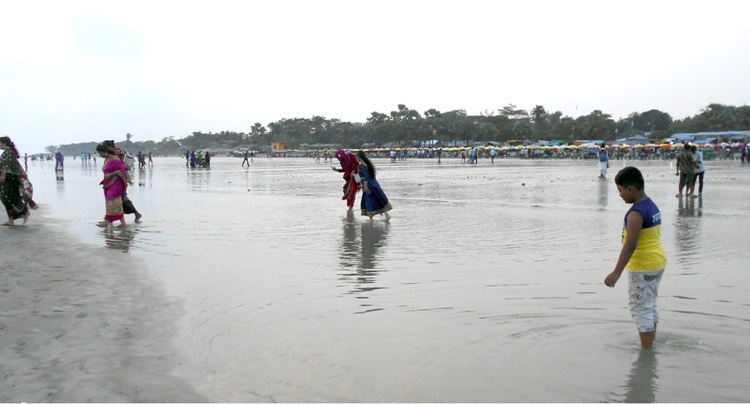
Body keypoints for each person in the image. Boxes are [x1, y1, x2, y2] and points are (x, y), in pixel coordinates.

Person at [605, 166, 667, 349]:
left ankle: (647, 352)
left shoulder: (636, 213)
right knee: (649, 304)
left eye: (620, 190)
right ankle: (650, 343)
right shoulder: (651, 205)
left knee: (640, 308)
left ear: (631, 189)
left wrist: (616, 272)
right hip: (656, 262)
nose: (620, 195)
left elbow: (630, 245)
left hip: (644, 266)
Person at [96, 140, 127, 228]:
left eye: (101, 153)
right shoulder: (108, 159)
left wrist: (111, 175)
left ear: (106, 151)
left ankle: (107, 221)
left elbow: (121, 172)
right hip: (109, 184)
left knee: (112, 202)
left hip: (116, 184)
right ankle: (122, 223)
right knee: (115, 203)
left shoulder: (115, 160)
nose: (100, 155)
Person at [0, 136, 31, 225]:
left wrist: (3, 175)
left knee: (8, 196)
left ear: (4, 143)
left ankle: (24, 212)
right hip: (10, 178)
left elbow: (7, 165)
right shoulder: (8, 151)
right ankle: (11, 219)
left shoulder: (8, 152)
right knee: (6, 197)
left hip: (10, 179)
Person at [357, 150, 392, 220]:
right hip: (374, 184)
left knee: (369, 201)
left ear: (359, 157)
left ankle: (371, 220)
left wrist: (365, 185)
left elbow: (366, 176)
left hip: (368, 185)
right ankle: (386, 215)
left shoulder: (361, 166)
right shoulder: (368, 164)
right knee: (378, 199)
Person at [115, 148, 142, 223]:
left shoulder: (119, 162)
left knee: (122, 199)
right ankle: (135, 214)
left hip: (121, 183)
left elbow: (125, 173)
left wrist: (129, 181)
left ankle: (136, 214)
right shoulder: (119, 162)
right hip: (120, 183)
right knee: (122, 200)